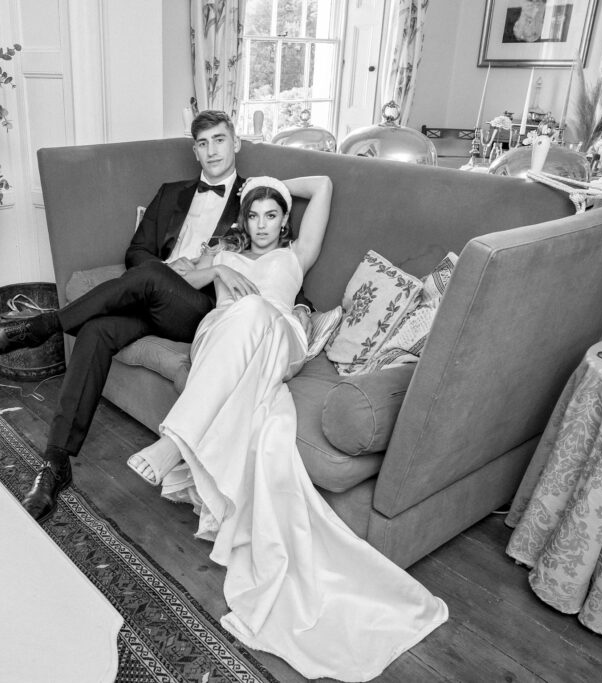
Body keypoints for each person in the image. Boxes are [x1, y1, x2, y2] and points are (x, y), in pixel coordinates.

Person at [127, 176, 448, 681]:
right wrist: (216, 266)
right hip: (223, 336)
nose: (260, 225)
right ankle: (183, 439)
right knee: (240, 313)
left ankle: (177, 441)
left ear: (283, 221)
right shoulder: (224, 255)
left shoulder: (298, 255)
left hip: (279, 334)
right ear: (243, 220)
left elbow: (321, 184)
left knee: (257, 308)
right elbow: (170, 277)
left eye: (271, 214)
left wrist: (258, 181)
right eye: (252, 215)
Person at [0, 110, 313, 523]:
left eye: (220, 140)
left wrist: (299, 308)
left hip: (201, 310)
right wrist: (169, 271)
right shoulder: (172, 193)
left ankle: (39, 326)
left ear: (236, 143)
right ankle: (55, 464)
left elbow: (277, 272)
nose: (211, 150)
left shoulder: (252, 203)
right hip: (154, 296)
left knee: (150, 275)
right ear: (194, 150)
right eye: (202, 143)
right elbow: (137, 252)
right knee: (96, 330)